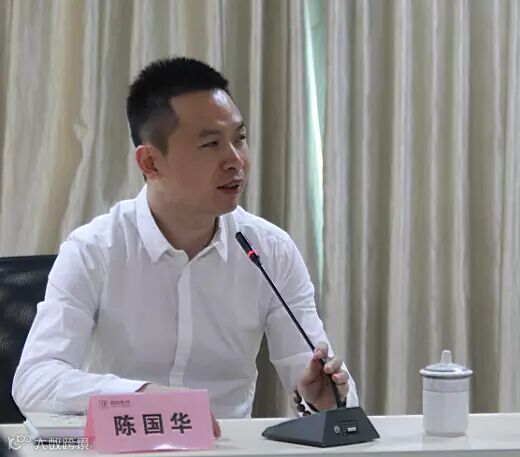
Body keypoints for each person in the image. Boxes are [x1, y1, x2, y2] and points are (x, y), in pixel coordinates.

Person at [12, 57, 357, 437]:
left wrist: (325, 402)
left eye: (239, 139)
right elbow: (35, 380)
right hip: (124, 447)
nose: (236, 161)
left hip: (225, 448)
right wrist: (140, 396)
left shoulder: (270, 251)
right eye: (211, 144)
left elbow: (311, 370)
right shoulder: (94, 250)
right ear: (150, 162)